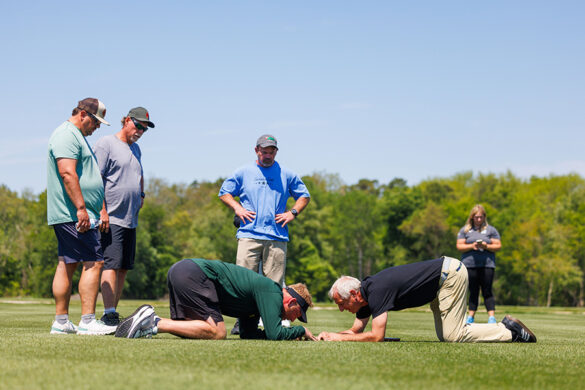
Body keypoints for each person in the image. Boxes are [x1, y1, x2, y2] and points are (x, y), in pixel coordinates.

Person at [318, 256, 536, 343]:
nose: (341, 309)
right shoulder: (364, 297)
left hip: (449, 276)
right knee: (445, 336)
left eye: (341, 303)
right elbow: (357, 330)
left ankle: (509, 331)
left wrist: (339, 339)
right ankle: (507, 329)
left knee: (453, 335)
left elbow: (376, 336)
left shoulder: (376, 291)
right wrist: (328, 336)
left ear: (354, 294)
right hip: (438, 284)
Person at [218, 134, 310, 334]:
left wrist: (292, 213)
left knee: (274, 286)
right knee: (242, 283)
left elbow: (304, 195)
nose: (267, 155)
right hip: (248, 235)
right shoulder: (244, 172)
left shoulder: (286, 174)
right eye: (264, 151)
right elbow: (224, 192)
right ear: (256, 150)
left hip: (276, 237)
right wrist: (237, 208)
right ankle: (242, 325)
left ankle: (272, 326)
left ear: (276, 151)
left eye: (271, 151)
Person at [47, 97, 117, 335]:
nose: (97, 127)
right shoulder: (66, 134)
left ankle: (62, 322)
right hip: (72, 213)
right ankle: (87, 322)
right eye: (95, 122)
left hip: (73, 213)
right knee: (94, 261)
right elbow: (67, 173)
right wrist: (80, 208)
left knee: (67, 263)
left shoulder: (77, 136)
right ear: (83, 114)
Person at [115, 259, 317, 341]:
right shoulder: (272, 291)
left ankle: (144, 325)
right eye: (298, 315)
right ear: (291, 302)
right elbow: (274, 334)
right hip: (194, 274)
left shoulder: (262, 299)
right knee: (218, 332)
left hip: (183, 270)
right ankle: (154, 322)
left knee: (200, 331)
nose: (295, 319)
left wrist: (288, 334)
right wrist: (300, 331)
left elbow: (248, 333)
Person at [93, 107, 155, 326]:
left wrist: (142, 195)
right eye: (138, 126)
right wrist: (102, 211)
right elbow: (95, 179)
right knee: (110, 264)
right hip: (111, 217)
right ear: (127, 121)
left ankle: (113, 312)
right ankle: (108, 312)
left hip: (130, 218)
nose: (140, 131)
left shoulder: (136, 148)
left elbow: (139, 175)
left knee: (123, 267)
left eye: (144, 129)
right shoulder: (106, 144)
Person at [456, 204, 501, 324]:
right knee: (473, 291)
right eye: (477, 217)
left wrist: (486, 246)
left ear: (484, 217)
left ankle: (491, 317)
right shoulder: (465, 230)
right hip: (470, 265)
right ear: (472, 217)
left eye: (481, 217)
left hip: (487, 265)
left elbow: (498, 246)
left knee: (487, 291)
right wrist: (472, 246)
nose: (479, 219)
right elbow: (459, 246)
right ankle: (470, 317)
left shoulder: (491, 230)